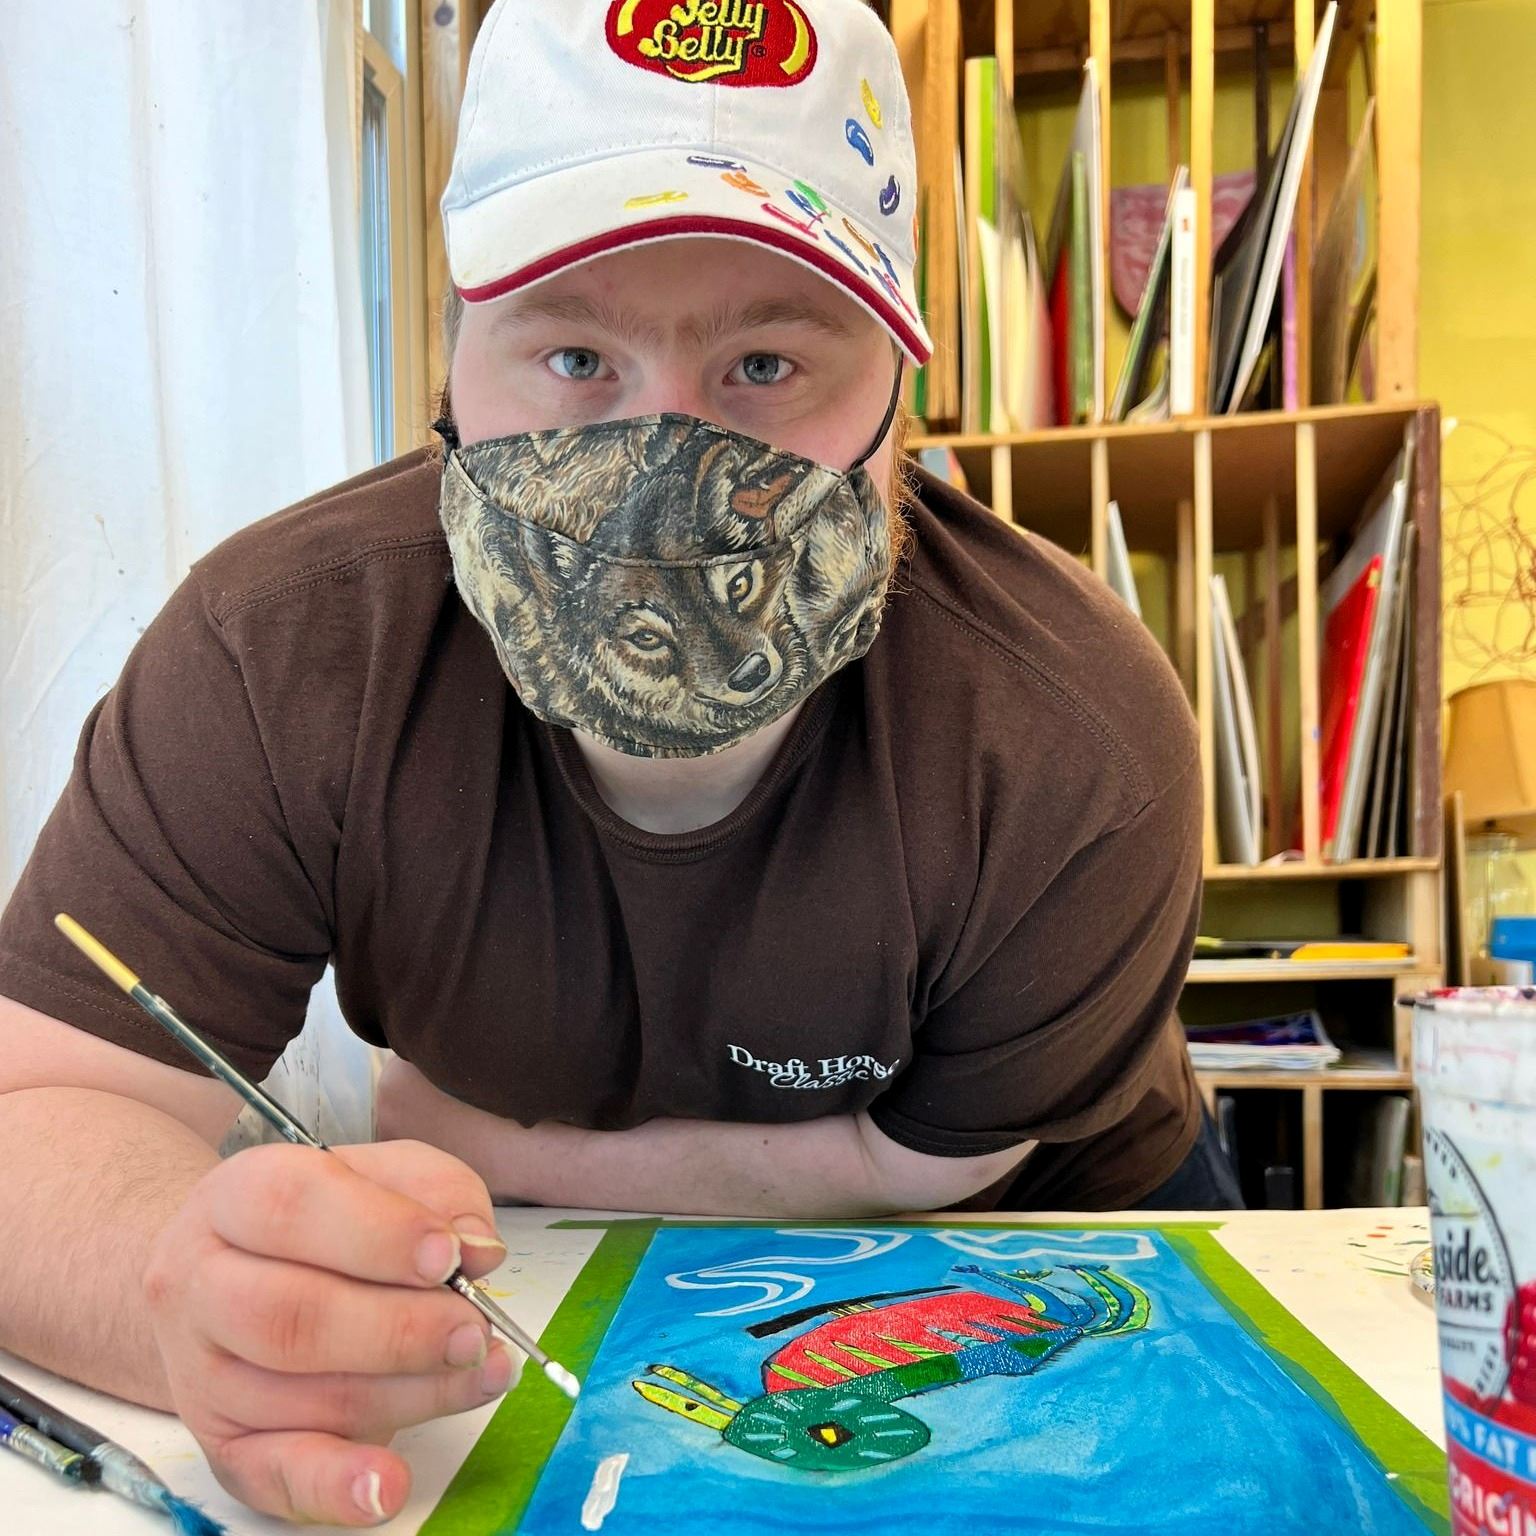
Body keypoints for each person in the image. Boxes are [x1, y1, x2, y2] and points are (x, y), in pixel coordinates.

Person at [0, 0, 1234, 1525]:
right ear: (453, 363)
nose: (663, 473)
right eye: (575, 350)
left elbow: (947, 1168)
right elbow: (36, 1113)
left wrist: (473, 1139)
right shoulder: (278, 659)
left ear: (902, 391)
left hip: (1065, 1258)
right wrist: (183, 1292)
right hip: (537, 1303)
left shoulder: (1075, 735)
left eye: (769, 364)